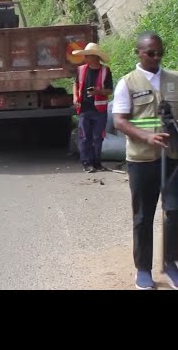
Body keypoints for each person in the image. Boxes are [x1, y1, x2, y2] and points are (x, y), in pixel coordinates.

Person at [112, 31, 178, 290]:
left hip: (173, 157)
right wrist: (146, 137)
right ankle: (143, 270)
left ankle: (171, 263)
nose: (156, 56)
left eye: (160, 51)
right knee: (143, 216)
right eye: (151, 52)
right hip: (142, 160)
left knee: (174, 212)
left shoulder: (174, 79)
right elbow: (119, 121)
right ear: (138, 52)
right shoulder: (127, 83)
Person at [71, 42, 114, 173]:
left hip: (99, 110)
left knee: (98, 137)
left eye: (89, 55)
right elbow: (76, 84)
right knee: (85, 137)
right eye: (86, 55)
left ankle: (97, 162)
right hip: (84, 108)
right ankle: (86, 163)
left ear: (96, 57)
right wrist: (75, 97)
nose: (86, 58)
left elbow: (109, 90)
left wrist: (98, 92)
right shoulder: (81, 69)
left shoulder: (106, 71)